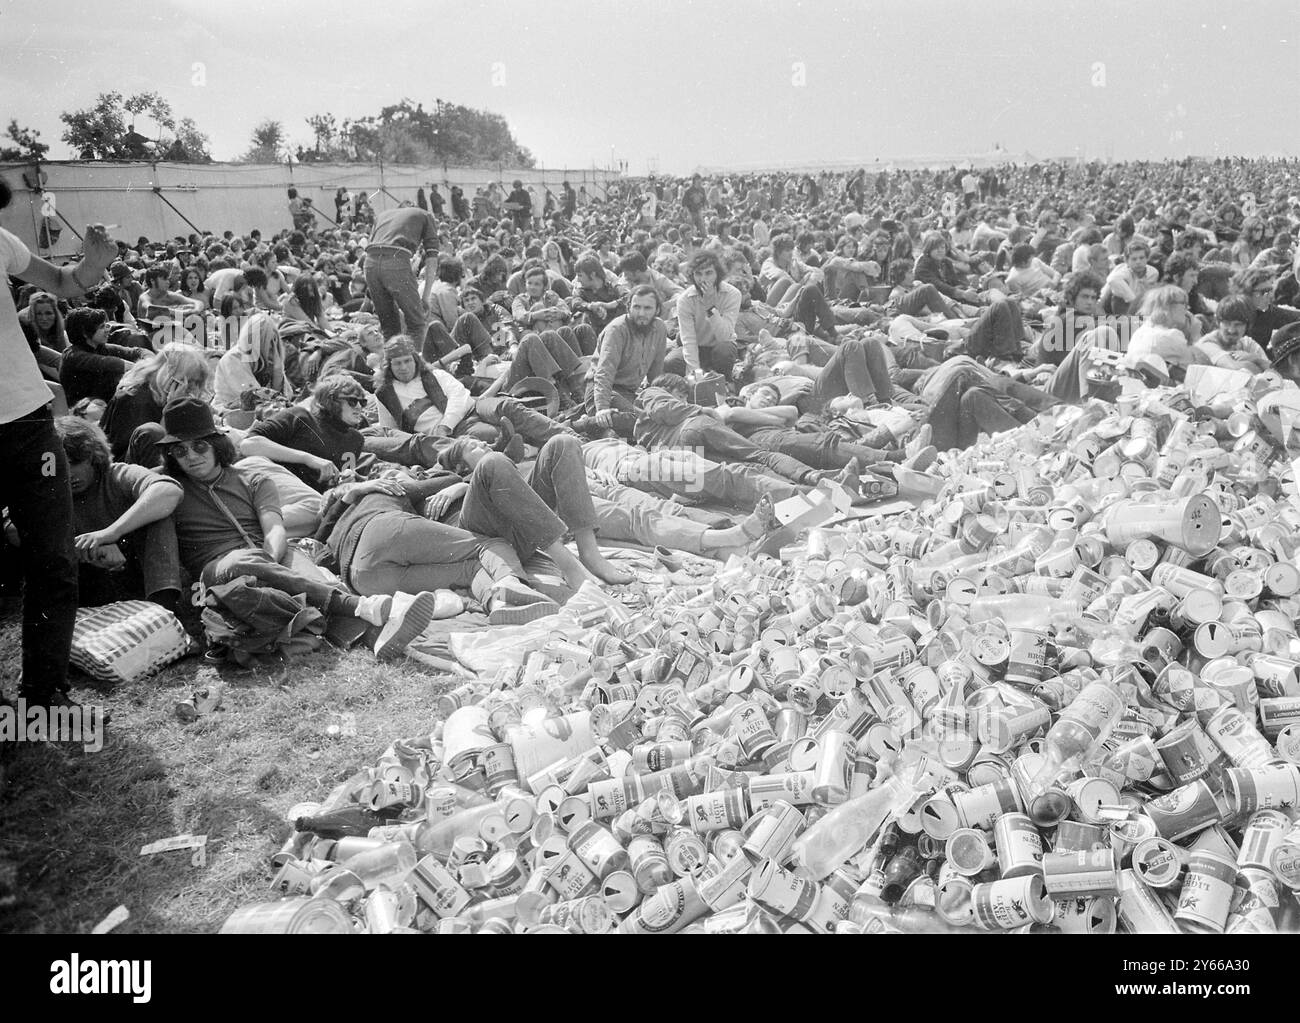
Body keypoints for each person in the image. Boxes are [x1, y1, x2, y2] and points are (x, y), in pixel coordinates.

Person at [0, 184, 117, 712]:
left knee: (53, 560)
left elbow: (68, 284)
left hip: (27, 422)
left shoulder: (1, 241)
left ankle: (43, 697)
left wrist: (93, 265)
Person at [160, 396, 399, 639]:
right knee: (244, 566)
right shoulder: (170, 489)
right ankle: (356, 605)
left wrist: (267, 562)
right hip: (219, 566)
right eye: (180, 450)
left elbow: (274, 529)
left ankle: (376, 633)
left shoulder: (253, 480)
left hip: (269, 555)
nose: (190, 456)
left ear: (215, 445)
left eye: (199, 446)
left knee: (318, 587)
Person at [57, 416, 183, 613]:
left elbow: (168, 491)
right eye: (61, 467)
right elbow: (15, 529)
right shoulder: (52, 492)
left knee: (160, 517)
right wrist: (92, 548)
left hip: (138, 565)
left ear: (92, 455)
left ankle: (163, 604)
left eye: (76, 462)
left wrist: (110, 533)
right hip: (91, 578)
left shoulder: (115, 475)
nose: (70, 474)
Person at [103, 342, 212, 464]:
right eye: (189, 381)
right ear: (170, 376)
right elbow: (149, 444)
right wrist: (172, 410)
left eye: (197, 383)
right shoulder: (137, 399)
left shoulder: (163, 393)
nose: (194, 388)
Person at [589, 286, 668, 423]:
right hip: (602, 390)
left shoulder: (659, 328)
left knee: (660, 417)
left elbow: (656, 373)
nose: (641, 313)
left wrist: (659, 400)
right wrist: (602, 408)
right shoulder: (617, 330)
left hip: (629, 393)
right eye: (637, 307)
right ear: (629, 307)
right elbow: (604, 372)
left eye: (647, 308)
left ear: (657, 310)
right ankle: (580, 425)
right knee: (642, 422)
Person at [365, 203, 441, 341]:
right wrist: (425, 297)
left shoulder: (383, 215)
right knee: (417, 324)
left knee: (388, 326)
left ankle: (392, 360)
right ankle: (416, 361)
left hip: (370, 262)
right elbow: (432, 259)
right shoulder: (424, 214)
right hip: (396, 260)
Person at [668, 250, 742, 378]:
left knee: (724, 351)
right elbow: (688, 340)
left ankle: (724, 381)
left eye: (708, 273)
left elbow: (724, 336)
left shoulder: (732, 294)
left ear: (717, 274)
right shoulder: (685, 299)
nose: (703, 279)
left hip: (720, 346)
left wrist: (710, 308)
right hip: (697, 346)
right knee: (671, 362)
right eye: (698, 274)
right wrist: (695, 374)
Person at [60, 307, 147, 406]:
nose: (107, 329)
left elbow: (138, 351)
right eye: (102, 327)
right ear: (85, 333)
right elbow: (112, 363)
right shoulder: (73, 355)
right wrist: (146, 368)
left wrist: (150, 360)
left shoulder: (101, 348)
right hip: (84, 412)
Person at [214, 313, 294, 410]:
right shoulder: (233, 359)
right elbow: (255, 399)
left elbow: (287, 397)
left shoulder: (268, 360)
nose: (271, 346)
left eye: (274, 340)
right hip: (231, 415)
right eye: (267, 340)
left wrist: (278, 371)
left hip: (261, 415)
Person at [1194, 295, 1271, 372]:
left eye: (1238, 324)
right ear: (1218, 322)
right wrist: (1258, 366)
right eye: (1226, 323)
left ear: (1247, 326)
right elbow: (1234, 368)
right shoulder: (1207, 343)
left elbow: (1274, 372)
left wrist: (1256, 359)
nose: (1231, 330)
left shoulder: (1247, 343)